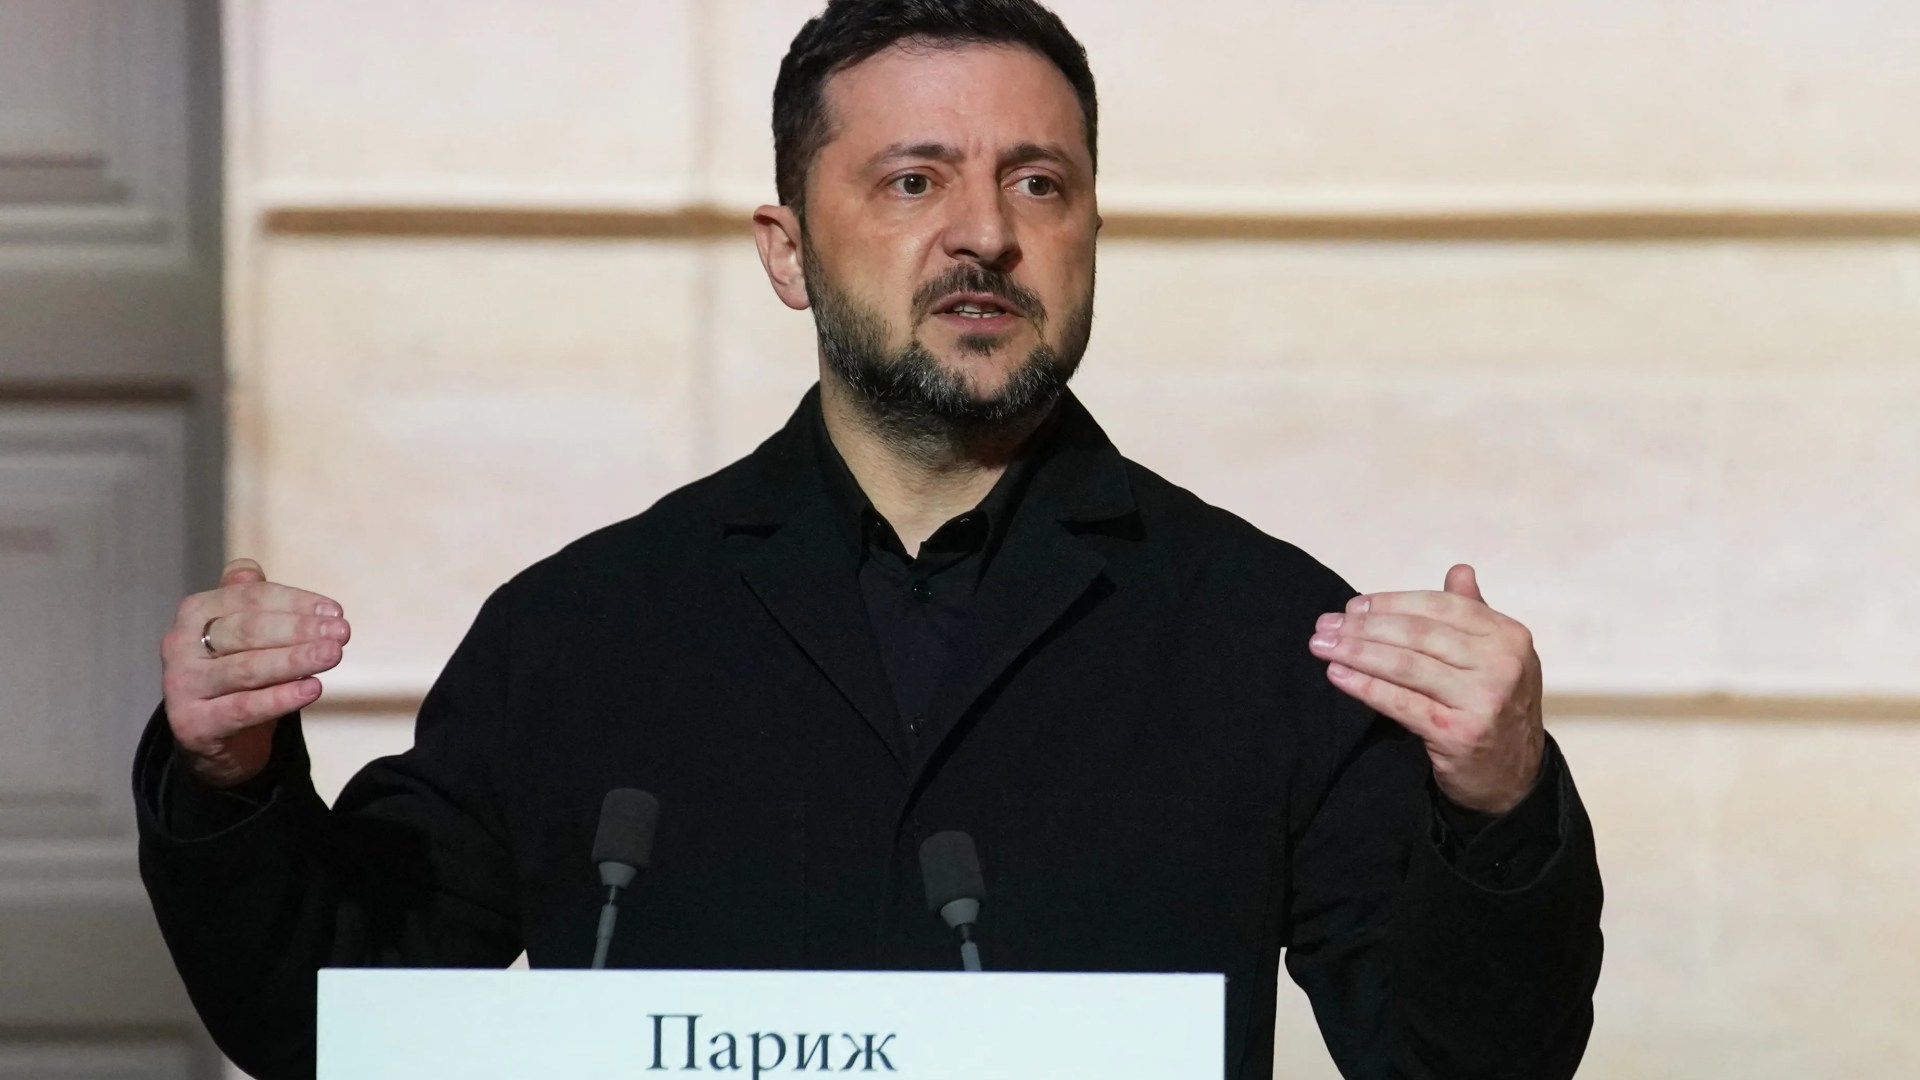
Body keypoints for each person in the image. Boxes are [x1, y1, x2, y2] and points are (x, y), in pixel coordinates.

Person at [136, 1, 1603, 1077]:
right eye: (913, 180)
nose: (985, 234)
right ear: (788, 251)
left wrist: (1499, 801)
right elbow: (334, 1014)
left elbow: (1464, 1064)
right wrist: (230, 778)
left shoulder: (1265, 630)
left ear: (1092, 233)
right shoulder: (584, 628)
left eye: (1039, 182)